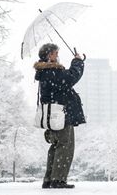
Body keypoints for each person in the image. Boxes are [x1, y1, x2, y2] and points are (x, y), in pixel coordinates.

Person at [34, 43, 86, 189]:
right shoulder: (52, 71)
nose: (57, 55)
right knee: (65, 146)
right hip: (61, 116)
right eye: (56, 53)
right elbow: (72, 77)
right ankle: (58, 180)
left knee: (56, 146)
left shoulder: (44, 73)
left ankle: (49, 179)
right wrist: (77, 61)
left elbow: (65, 79)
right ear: (49, 55)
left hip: (52, 117)